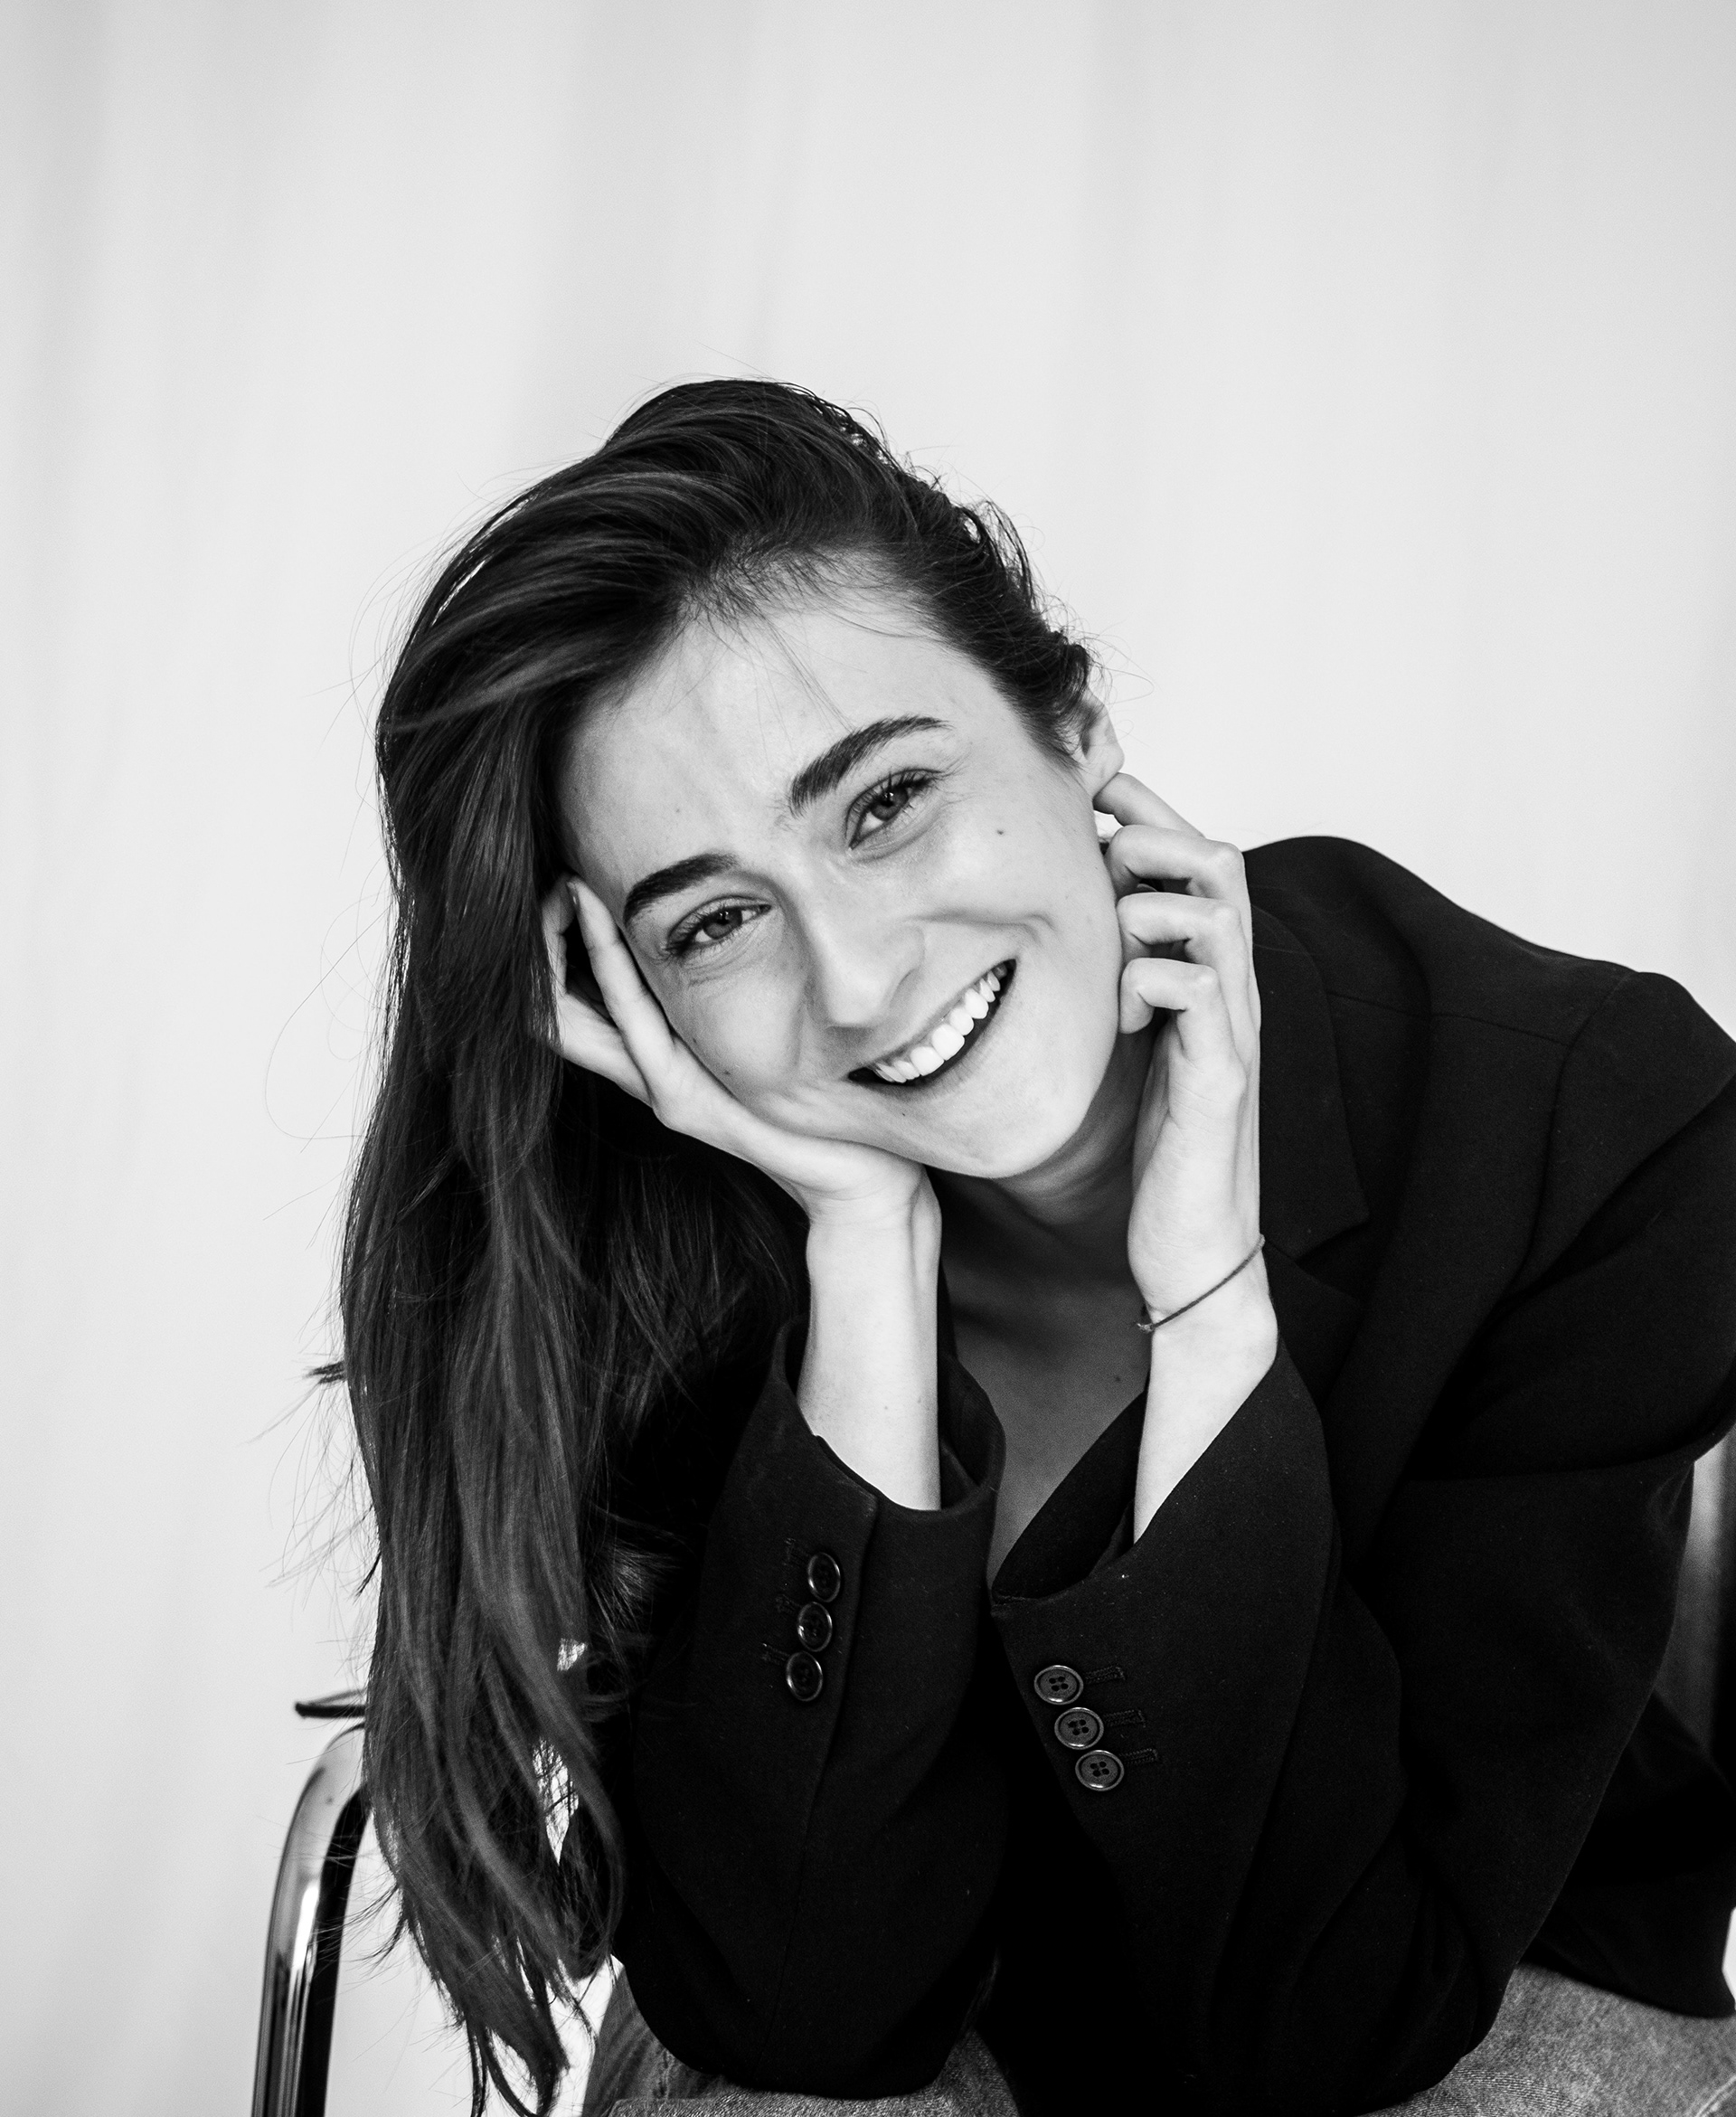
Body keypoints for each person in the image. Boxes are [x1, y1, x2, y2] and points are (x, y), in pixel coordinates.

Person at [339, 381, 1736, 2117]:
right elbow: (794, 2012)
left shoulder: (1585, 1121)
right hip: (967, 2002)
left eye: (885, 802)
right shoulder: (664, 1243)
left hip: (1470, 1979)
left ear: (1072, 730)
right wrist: (863, 1263)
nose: (860, 980)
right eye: (716, 922)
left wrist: (1210, 1309)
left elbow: (1344, 2015)